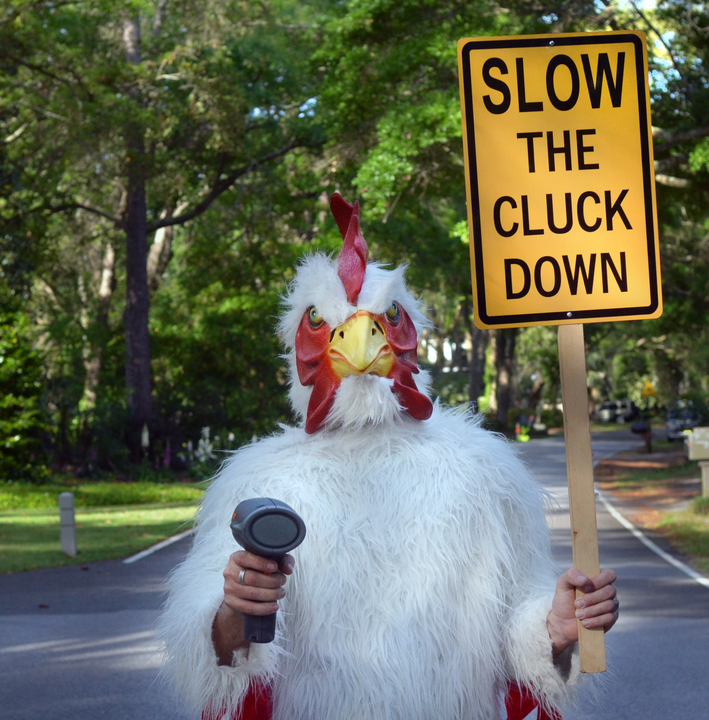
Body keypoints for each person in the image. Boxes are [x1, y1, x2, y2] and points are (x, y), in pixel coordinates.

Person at [159, 194, 618, 720]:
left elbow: (520, 633)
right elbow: (212, 656)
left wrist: (555, 626)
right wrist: (235, 612)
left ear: (408, 332)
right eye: (323, 321)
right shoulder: (257, 480)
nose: (360, 337)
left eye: (387, 316)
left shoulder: (485, 471)